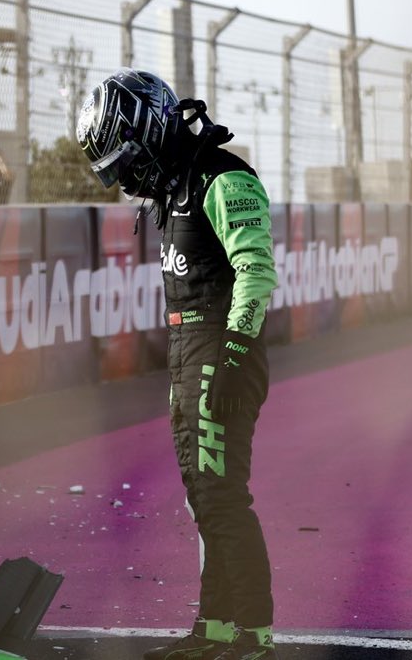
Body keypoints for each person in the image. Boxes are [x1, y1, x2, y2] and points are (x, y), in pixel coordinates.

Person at [76, 68, 279, 660]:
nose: (128, 179)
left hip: (222, 351)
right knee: (203, 495)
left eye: (128, 161)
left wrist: (237, 353)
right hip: (187, 352)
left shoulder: (224, 177)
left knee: (220, 497)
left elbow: (256, 271)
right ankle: (214, 631)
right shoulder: (172, 188)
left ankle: (254, 636)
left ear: (149, 129)